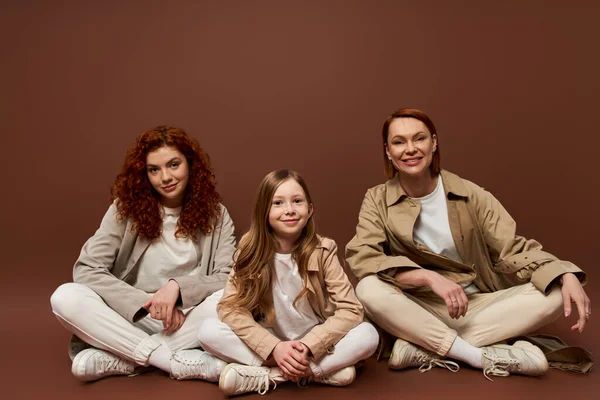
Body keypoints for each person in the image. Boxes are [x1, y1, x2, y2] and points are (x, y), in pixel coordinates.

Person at [346, 108, 591, 380]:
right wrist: (427, 277)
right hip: (417, 305)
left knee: (557, 290)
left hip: (478, 305)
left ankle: (425, 347)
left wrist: (564, 271)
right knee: (368, 288)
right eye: (399, 142)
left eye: (419, 138)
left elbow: (513, 248)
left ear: (434, 143)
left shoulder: (470, 194)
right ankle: (476, 355)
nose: (410, 149)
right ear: (388, 151)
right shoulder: (376, 199)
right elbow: (364, 256)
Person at [50, 126, 236, 382]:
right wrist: (143, 302)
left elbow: (228, 276)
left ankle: (124, 359)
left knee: (230, 299)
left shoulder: (217, 215)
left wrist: (177, 288)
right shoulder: (125, 210)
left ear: (190, 165)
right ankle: (170, 361)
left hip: (187, 319)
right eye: (154, 170)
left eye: (173, 165)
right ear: (144, 174)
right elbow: (87, 268)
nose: (165, 177)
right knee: (65, 297)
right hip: (134, 316)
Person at [198, 169, 379, 395]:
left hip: (317, 344)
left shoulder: (324, 250)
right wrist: (274, 348)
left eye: (297, 201)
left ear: (310, 209)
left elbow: (352, 309)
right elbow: (230, 307)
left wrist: (309, 346)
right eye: (278, 203)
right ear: (264, 211)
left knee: (368, 334)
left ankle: (271, 377)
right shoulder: (248, 249)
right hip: (270, 343)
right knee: (207, 330)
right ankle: (318, 373)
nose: (290, 210)